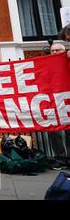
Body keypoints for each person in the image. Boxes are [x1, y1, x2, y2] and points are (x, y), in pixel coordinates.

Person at [48, 42, 70, 170]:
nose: (55, 53)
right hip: (53, 102)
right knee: (54, 131)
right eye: (53, 51)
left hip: (67, 100)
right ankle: (60, 158)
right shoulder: (47, 65)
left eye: (58, 50)